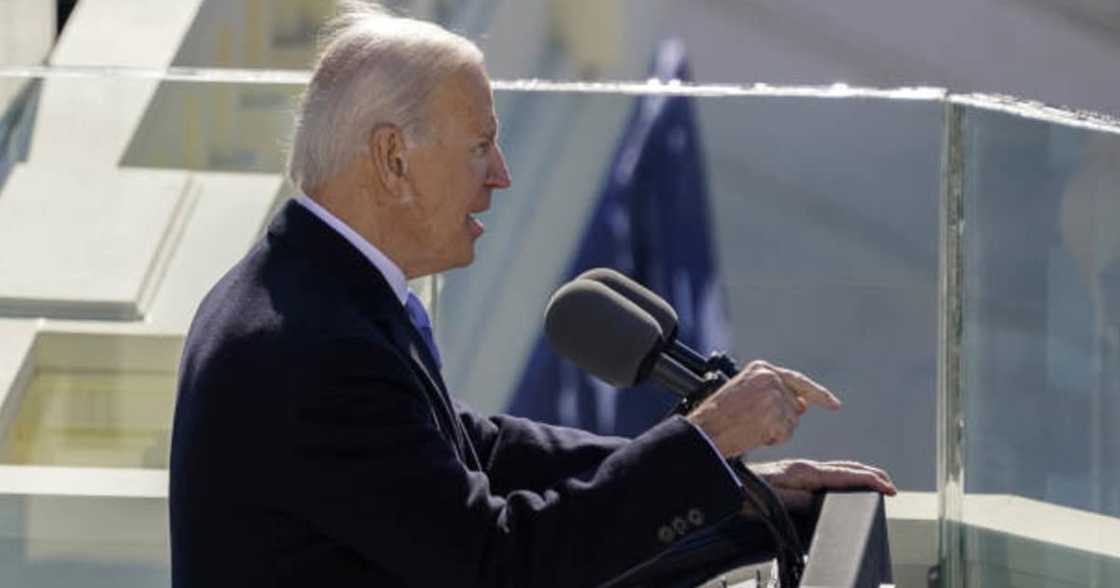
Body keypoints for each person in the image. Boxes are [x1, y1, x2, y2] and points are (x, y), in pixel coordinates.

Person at [169, 3, 896, 586]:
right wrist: (704, 442)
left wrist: (729, 478)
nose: (502, 175)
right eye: (479, 146)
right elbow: (500, 563)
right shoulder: (314, 345)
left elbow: (472, 448)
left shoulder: (310, 284)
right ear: (393, 159)